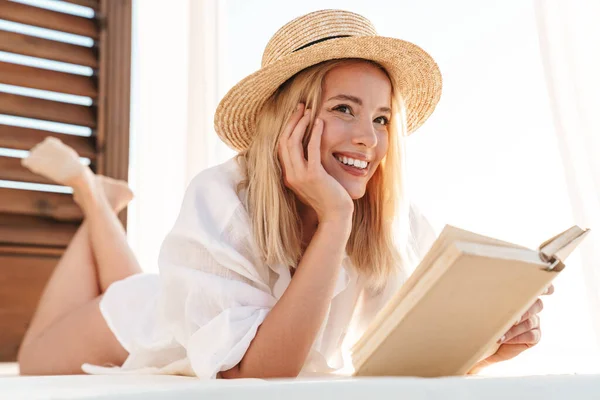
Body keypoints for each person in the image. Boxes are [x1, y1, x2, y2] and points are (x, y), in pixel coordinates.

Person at [17, 9, 550, 379]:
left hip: (191, 297)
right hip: (143, 320)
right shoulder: (223, 197)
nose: (369, 135)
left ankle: (102, 200)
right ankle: (90, 194)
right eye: (345, 108)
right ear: (289, 119)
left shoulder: (392, 218)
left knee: (151, 284)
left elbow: (396, 350)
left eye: (382, 117)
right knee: (33, 358)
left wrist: (484, 349)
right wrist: (334, 220)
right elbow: (265, 370)